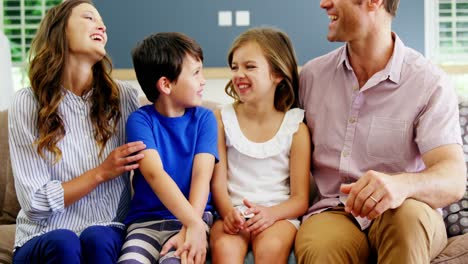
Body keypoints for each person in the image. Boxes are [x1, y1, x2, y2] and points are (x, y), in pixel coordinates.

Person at [295, 0, 467, 263]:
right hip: (334, 210)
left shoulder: (429, 82)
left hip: (406, 208)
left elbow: (453, 179)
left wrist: (401, 185)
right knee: (322, 246)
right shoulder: (311, 77)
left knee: (406, 224)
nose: (323, 3)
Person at [8, 0, 146, 263]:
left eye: (102, 22)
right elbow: (35, 204)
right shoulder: (28, 102)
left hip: (107, 230)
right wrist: (101, 172)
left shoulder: (124, 97)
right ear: (60, 31)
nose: (101, 26)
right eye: (88, 17)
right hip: (43, 236)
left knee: (98, 237)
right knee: (64, 241)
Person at [210, 27, 311, 264]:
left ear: (277, 74)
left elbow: (300, 199)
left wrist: (270, 214)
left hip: (277, 215)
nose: (238, 74)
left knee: (271, 248)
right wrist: (228, 214)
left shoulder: (296, 128)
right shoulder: (220, 120)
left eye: (250, 66)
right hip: (232, 212)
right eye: (234, 67)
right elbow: (218, 184)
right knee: (225, 250)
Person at [117, 32, 218, 264]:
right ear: (165, 84)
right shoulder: (140, 121)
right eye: (195, 73)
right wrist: (192, 223)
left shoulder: (205, 119)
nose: (203, 80)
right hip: (146, 223)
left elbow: (202, 176)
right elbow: (154, 174)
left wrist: (192, 225)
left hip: (196, 216)